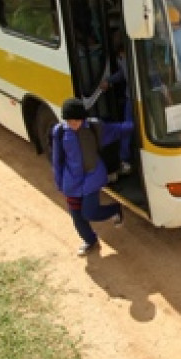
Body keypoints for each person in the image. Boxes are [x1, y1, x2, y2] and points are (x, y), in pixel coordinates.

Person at [52, 98, 134, 257]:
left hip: (92, 178)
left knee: (89, 213)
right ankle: (90, 241)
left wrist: (141, 125)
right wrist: (59, 183)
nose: (73, 124)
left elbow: (117, 130)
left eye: (76, 121)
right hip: (72, 182)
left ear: (82, 118)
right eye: (69, 121)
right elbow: (57, 160)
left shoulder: (95, 127)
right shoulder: (60, 132)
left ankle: (115, 209)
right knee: (77, 217)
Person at [100, 32, 134, 175]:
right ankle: (125, 159)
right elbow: (123, 74)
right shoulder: (125, 59)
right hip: (131, 98)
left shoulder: (131, 59)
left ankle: (125, 159)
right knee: (127, 128)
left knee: (128, 128)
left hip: (135, 99)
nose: (121, 57)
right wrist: (110, 80)